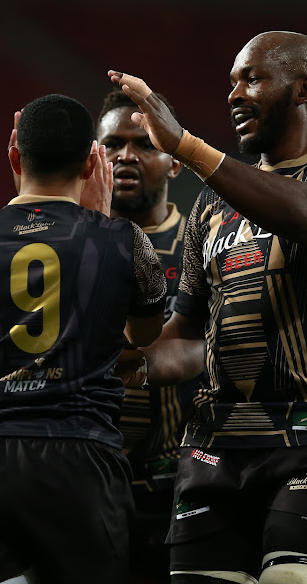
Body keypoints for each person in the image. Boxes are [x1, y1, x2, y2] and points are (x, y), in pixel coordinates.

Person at [108, 29, 307, 584]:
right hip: (217, 448)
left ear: (305, 88)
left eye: (253, 78)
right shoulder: (212, 207)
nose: (235, 94)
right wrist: (132, 364)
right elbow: (190, 336)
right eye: (232, 82)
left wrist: (186, 146)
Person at [0, 93, 167, 584]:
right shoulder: (125, 244)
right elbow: (143, 335)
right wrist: (102, 227)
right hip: (82, 469)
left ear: (15, 156)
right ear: (90, 162)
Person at [97, 88, 202, 583]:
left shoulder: (205, 246)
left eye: (144, 143)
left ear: (175, 162)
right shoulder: (68, 249)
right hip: (91, 486)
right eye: (113, 144)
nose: (126, 156)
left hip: (187, 490)